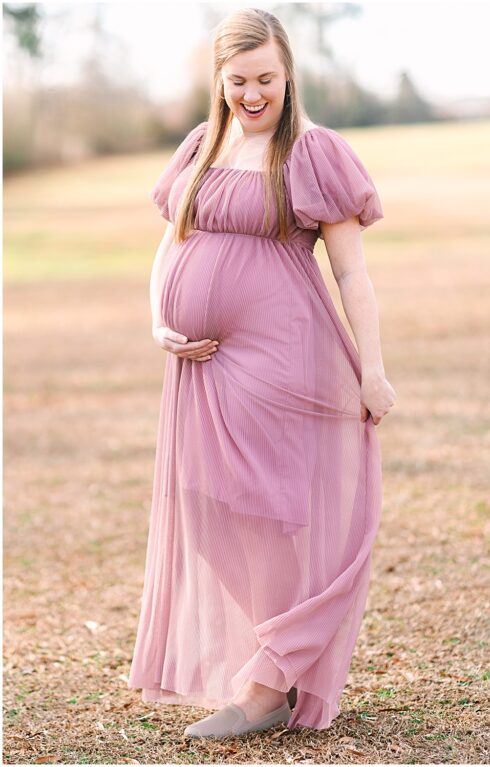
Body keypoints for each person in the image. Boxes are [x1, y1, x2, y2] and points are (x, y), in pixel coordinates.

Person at [126, 8, 396, 738]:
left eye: (266, 79)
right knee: (205, 504)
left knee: (265, 510)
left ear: (288, 76)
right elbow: (167, 246)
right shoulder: (199, 146)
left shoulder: (312, 153)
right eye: (239, 80)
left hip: (281, 357)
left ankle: (267, 685)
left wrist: (373, 370)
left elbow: (352, 273)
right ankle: (279, 654)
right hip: (199, 368)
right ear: (219, 80)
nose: (253, 94)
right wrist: (160, 320)